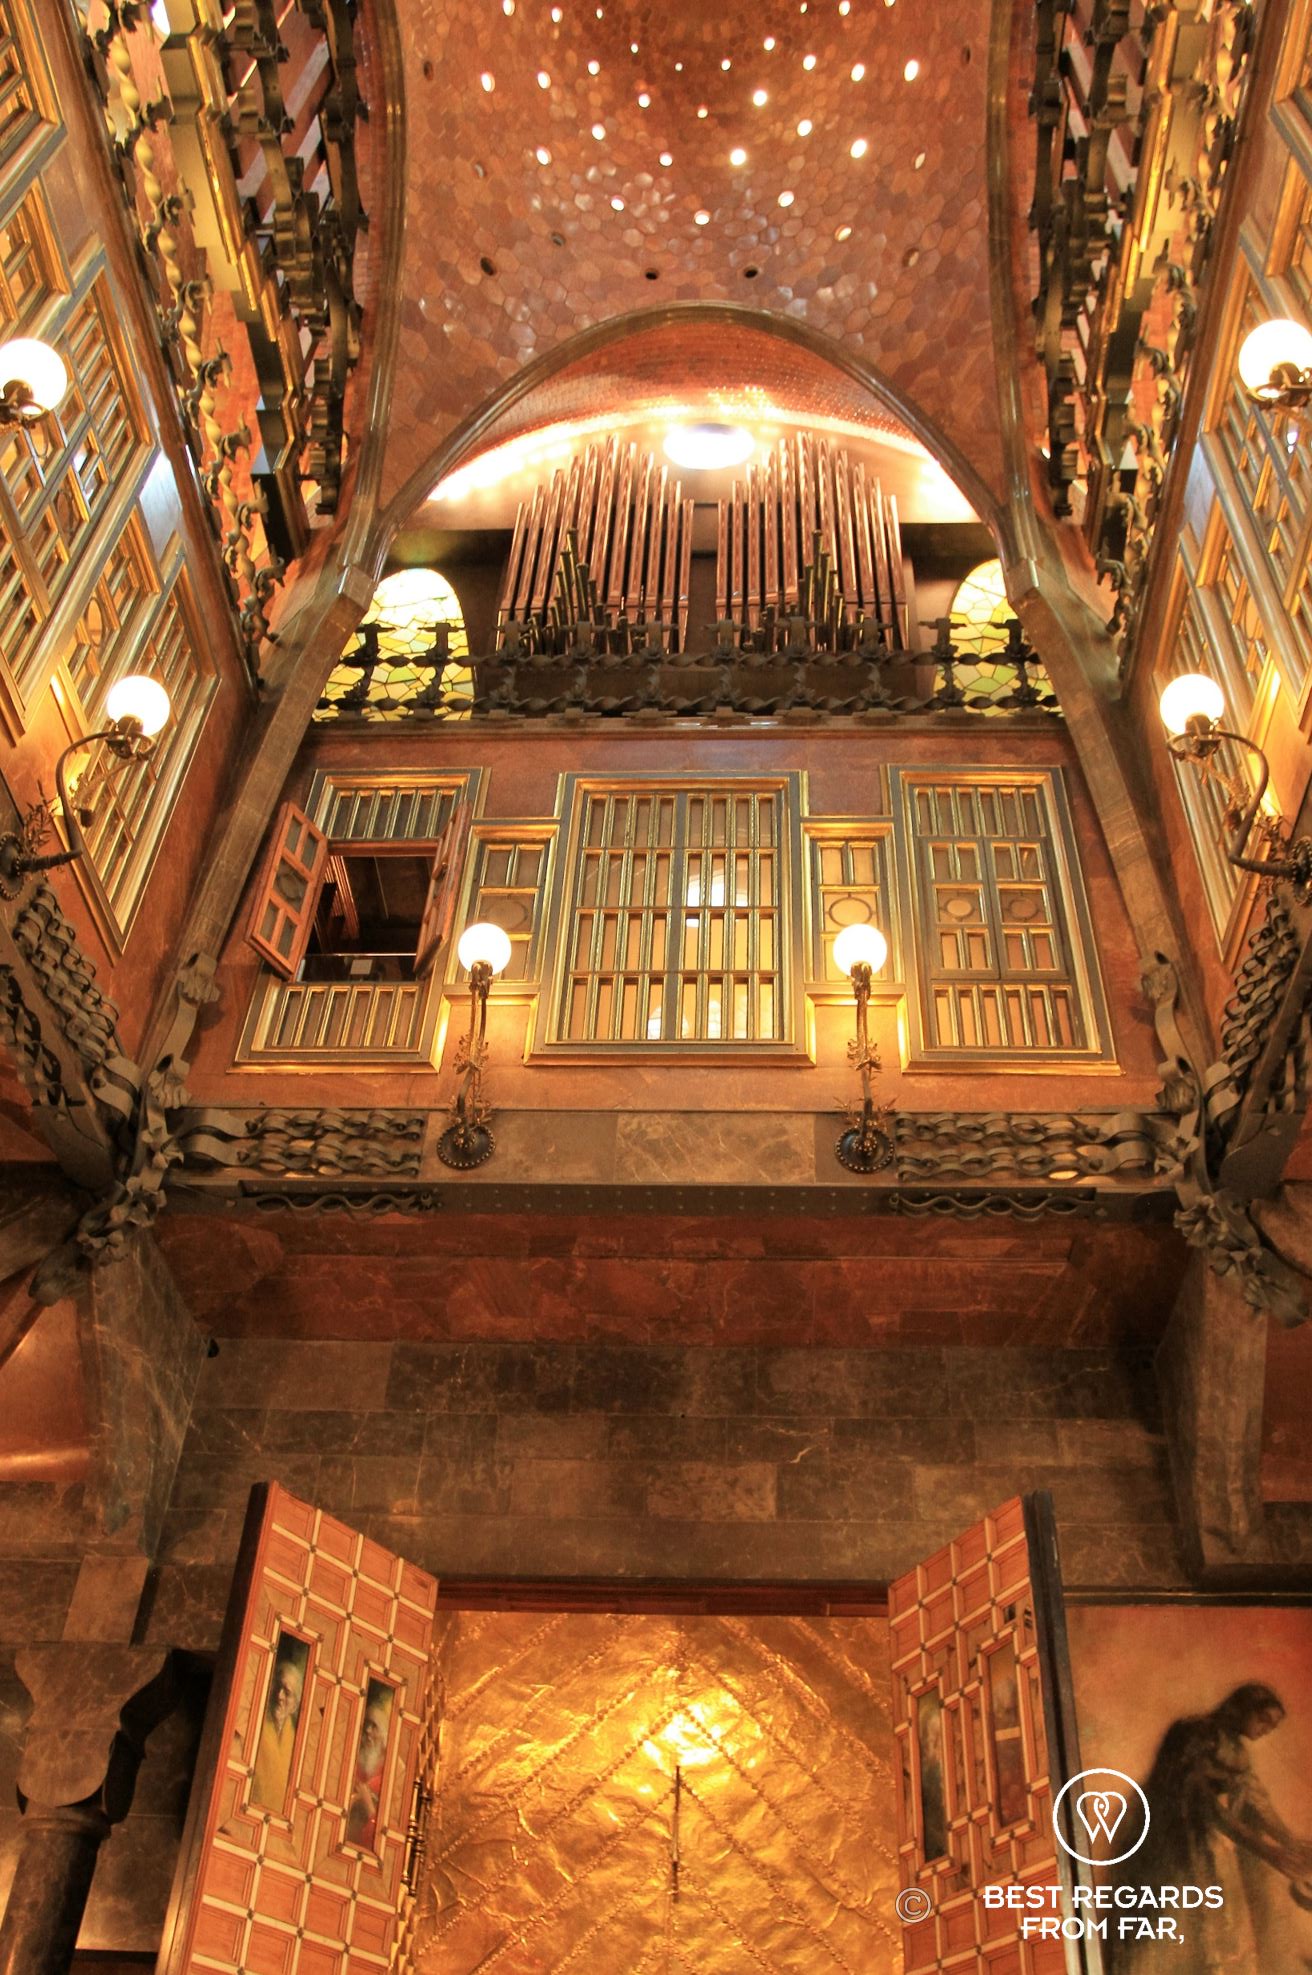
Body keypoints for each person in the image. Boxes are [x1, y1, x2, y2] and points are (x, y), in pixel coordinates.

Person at [1108, 1683, 1312, 1973]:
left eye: (1272, 1726)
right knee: (1172, 1917)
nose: (1266, 1729)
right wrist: (1267, 1850)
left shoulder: (1237, 1750)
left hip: (1207, 1839)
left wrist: (1290, 1842)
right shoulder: (1196, 1733)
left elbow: (1256, 1801)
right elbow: (1205, 1804)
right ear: (1243, 1708)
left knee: (1218, 1919)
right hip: (1171, 1836)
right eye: (1264, 1720)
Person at [251, 1652, 304, 1810]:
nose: (279, 1696)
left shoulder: (294, 1740)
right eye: (277, 1687)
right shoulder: (255, 1723)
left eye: (287, 1693)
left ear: (294, 1705)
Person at [347, 1694, 391, 1850]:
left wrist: (367, 1804)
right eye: (366, 1724)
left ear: (384, 1735)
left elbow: (385, 1837)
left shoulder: (389, 1777)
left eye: (374, 1726)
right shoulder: (355, 1764)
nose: (367, 1730)